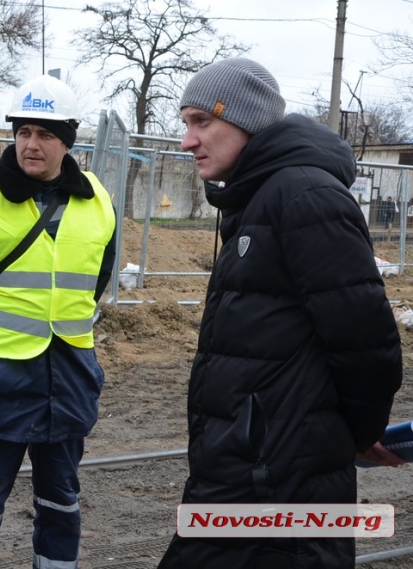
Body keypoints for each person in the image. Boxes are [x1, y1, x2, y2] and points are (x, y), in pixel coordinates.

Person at [159, 57, 403, 568]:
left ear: (246, 121)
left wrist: (357, 435)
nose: (188, 141)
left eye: (202, 121)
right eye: (185, 124)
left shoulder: (303, 196)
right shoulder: (259, 200)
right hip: (244, 466)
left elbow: (366, 342)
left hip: (279, 475)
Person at [0, 74, 117, 568]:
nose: (32, 144)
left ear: (67, 140)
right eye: (24, 131)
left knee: (61, 506)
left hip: (67, 381)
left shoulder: (97, 200)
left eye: (46, 134)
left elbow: (96, 277)